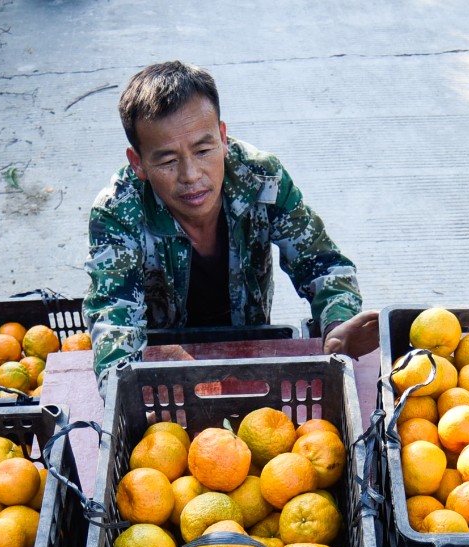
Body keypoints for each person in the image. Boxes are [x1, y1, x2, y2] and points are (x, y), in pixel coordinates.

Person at [84, 61, 379, 384]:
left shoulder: (261, 178)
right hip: (161, 362)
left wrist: (337, 324)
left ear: (222, 138)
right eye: (168, 160)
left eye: (203, 150)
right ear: (138, 163)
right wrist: (125, 392)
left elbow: (322, 264)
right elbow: (114, 318)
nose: (191, 175)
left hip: (249, 347)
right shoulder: (118, 212)